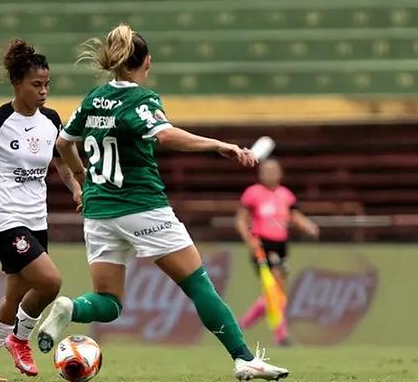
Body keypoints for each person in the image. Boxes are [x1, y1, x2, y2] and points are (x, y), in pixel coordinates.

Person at [39, 24, 290, 381]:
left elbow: (64, 143)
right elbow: (166, 135)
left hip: (98, 213)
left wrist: (83, 180)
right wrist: (220, 145)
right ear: (146, 62)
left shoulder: (93, 99)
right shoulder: (141, 99)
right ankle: (244, 359)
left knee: (108, 301)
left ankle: (70, 307)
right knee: (198, 285)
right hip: (142, 207)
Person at [0, 39, 81, 381]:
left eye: (47, 84)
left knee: (15, 296)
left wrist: (76, 188)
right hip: (5, 219)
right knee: (50, 282)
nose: (43, 91)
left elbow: (61, 162)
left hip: (37, 219)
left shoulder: (51, 120)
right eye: (36, 85)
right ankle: (19, 339)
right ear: (17, 83)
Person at [236, 158, 320, 346]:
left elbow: (295, 216)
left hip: (281, 245)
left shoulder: (285, 195)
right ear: (260, 174)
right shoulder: (253, 193)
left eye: (274, 170)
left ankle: (241, 325)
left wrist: (308, 226)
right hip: (262, 245)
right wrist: (249, 240)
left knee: (277, 293)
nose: (271, 174)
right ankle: (281, 336)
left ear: (281, 173)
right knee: (274, 289)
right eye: (267, 170)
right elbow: (241, 220)